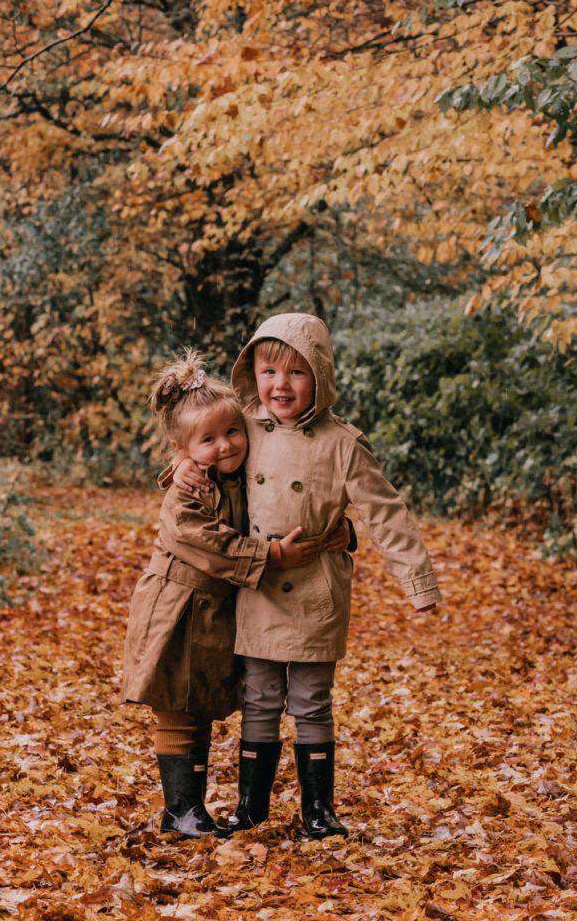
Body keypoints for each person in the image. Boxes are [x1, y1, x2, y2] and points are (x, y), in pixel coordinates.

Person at [171, 314, 441, 839]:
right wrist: (180, 467)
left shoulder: (343, 443)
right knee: (259, 696)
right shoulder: (245, 427)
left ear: (320, 376)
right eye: (269, 372)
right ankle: (251, 806)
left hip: (316, 588)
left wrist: (417, 581)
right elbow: (204, 446)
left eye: (297, 373)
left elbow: (386, 512)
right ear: (253, 374)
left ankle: (319, 810)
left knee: (313, 699)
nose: (281, 385)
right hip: (259, 585)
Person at [122, 349, 347, 839]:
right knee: (177, 708)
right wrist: (272, 555)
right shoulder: (187, 491)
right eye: (208, 440)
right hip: (177, 608)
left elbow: (289, 495)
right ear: (182, 449)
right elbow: (210, 543)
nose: (225, 445)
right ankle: (180, 810)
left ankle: (191, 810)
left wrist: (337, 527)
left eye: (232, 432)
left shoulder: (238, 476)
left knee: (197, 703)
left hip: (213, 609)